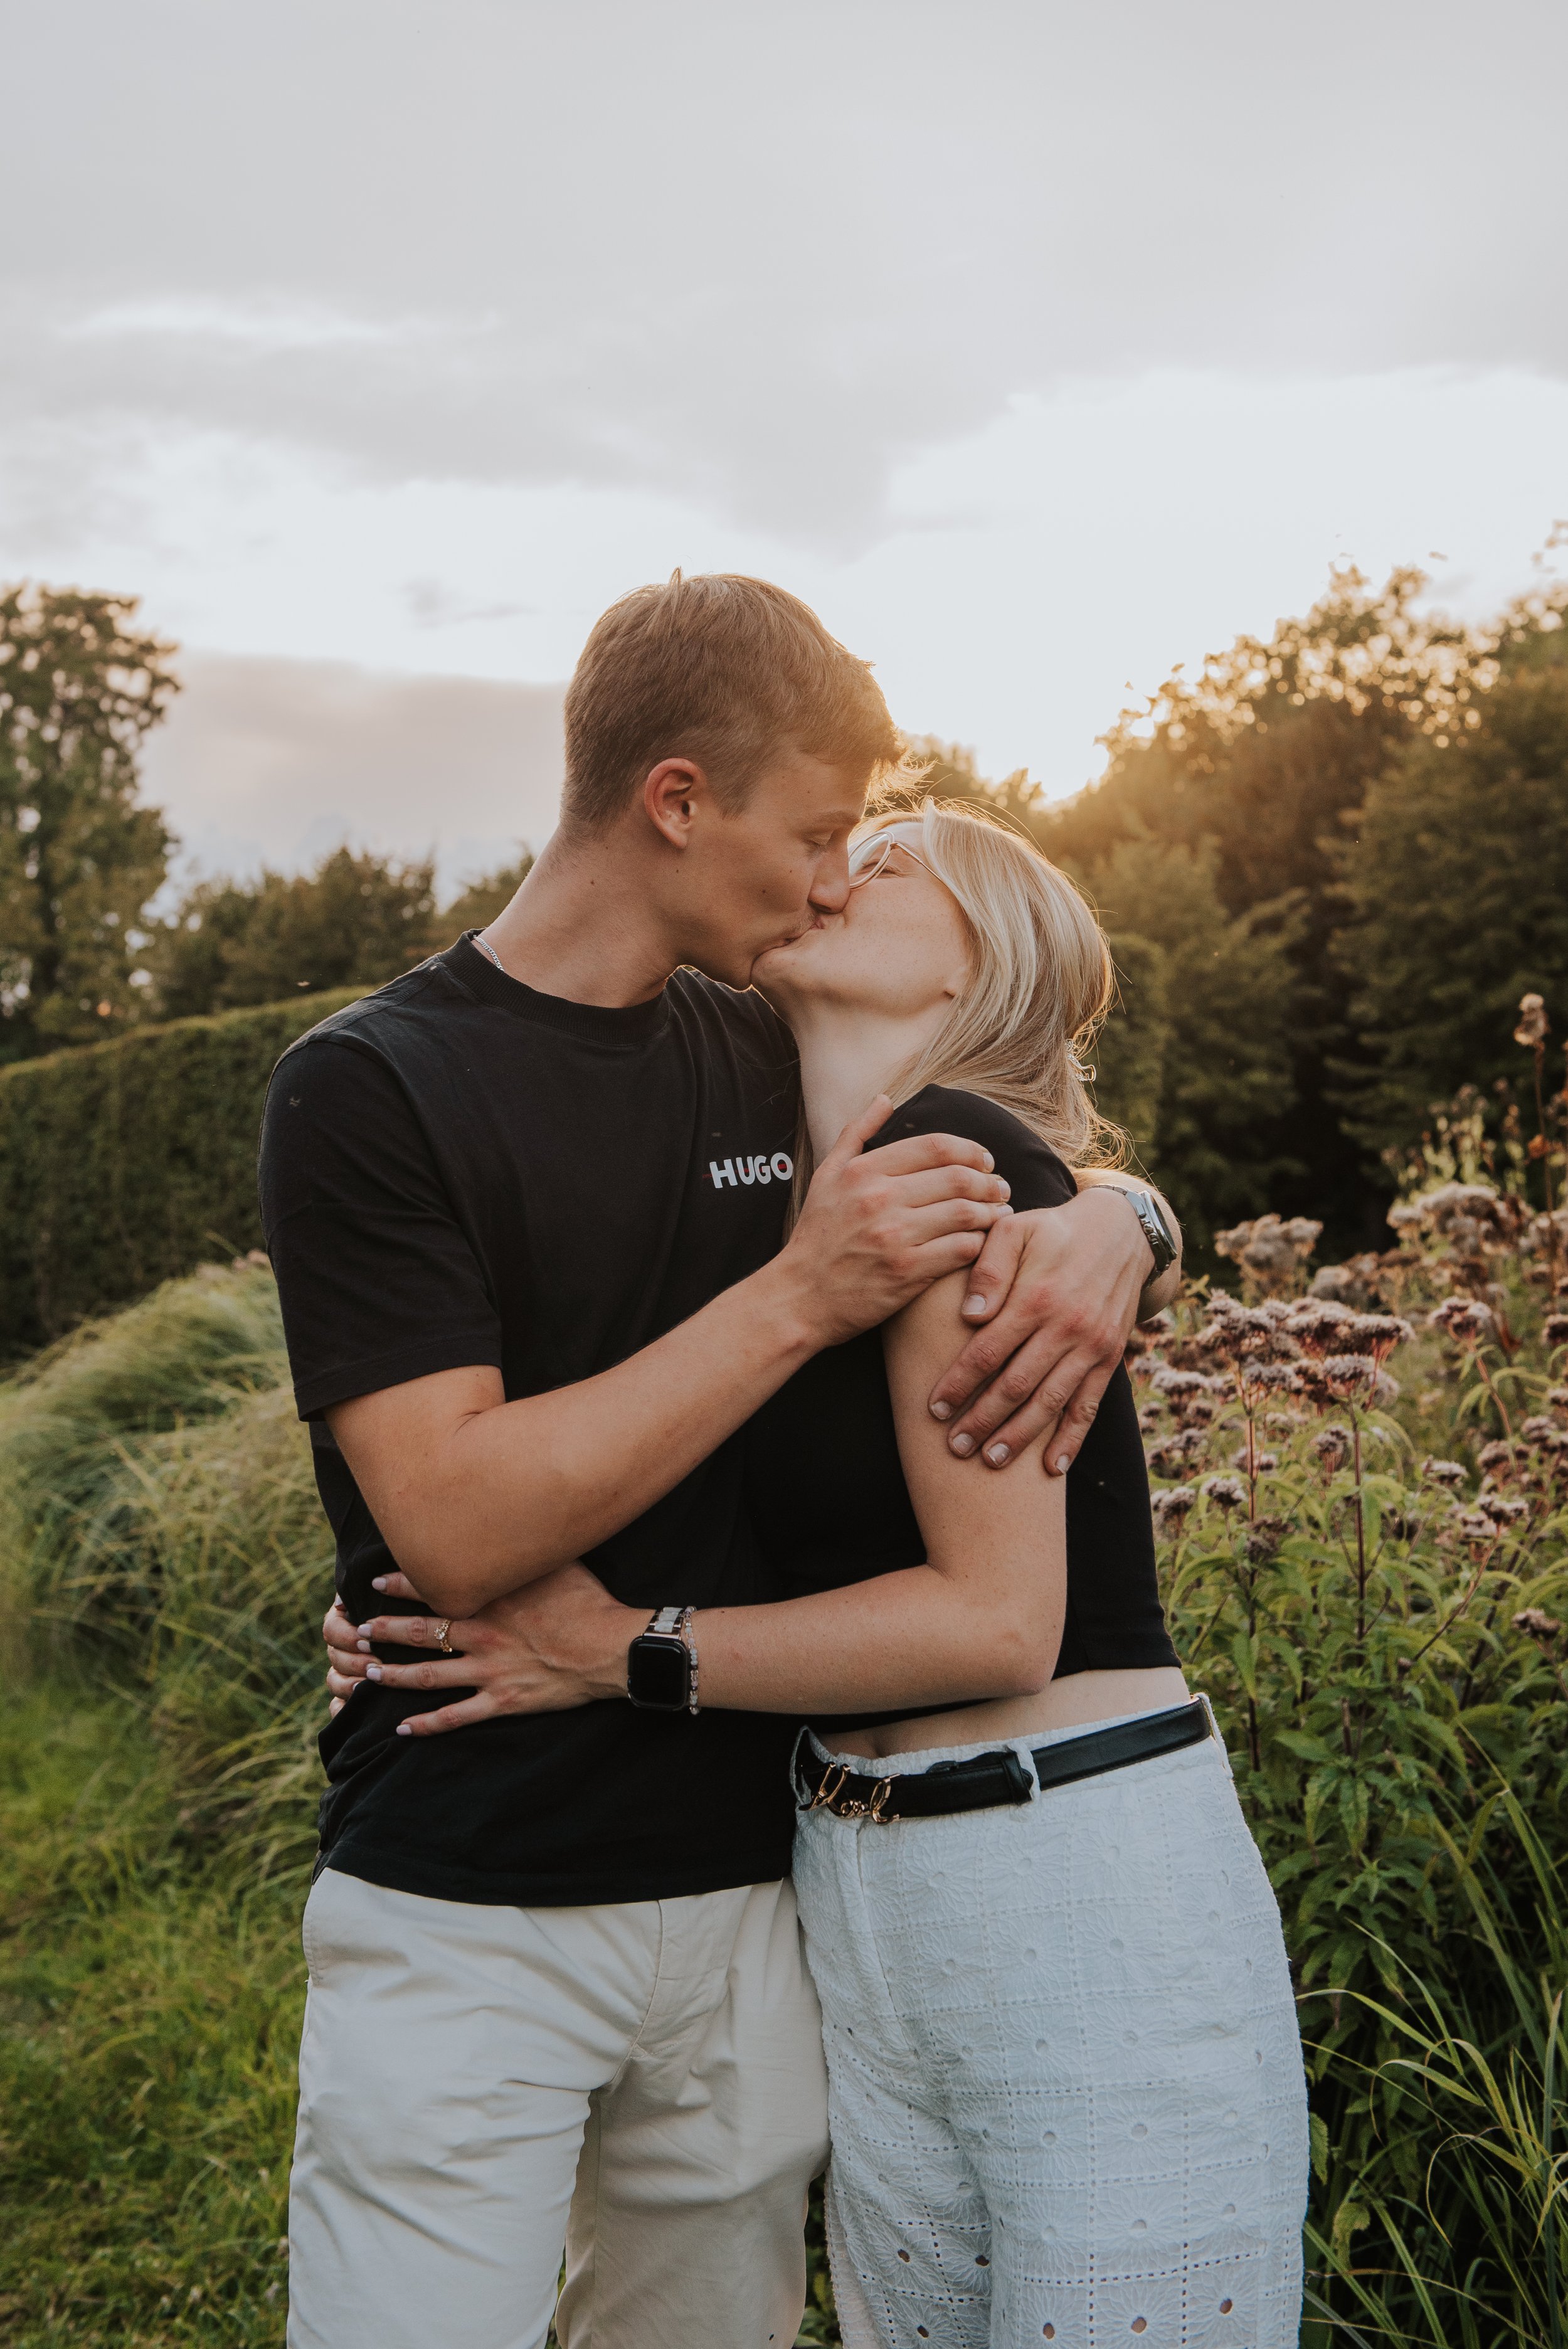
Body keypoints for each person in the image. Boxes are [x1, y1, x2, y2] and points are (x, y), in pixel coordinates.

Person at [262, 573, 1175, 2349]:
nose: (838, 880)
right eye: (818, 831)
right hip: (469, 1880)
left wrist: (1127, 1220)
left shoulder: (780, 1044)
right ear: (674, 800)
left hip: (762, 1885)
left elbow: (1015, 1094)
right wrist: (796, 1292)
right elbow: (448, 1525)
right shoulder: (372, 1084)